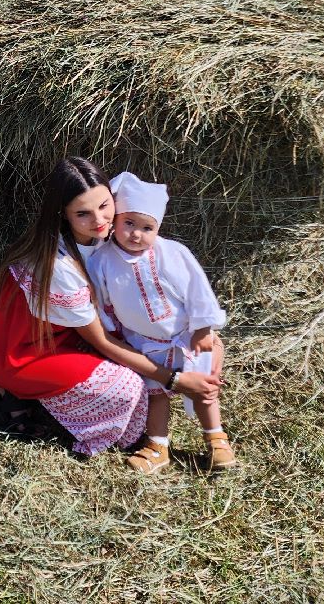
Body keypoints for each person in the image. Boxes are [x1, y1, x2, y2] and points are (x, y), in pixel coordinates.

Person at [0, 157, 220, 457]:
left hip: (74, 330)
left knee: (185, 349)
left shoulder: (118, 231)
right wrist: (174, 378)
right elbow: (102, 340)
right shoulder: (59, 265)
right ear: (64, 216)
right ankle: (7, 387)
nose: (99, 220)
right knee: (129, 389)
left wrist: (198, 332)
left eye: (104, 205)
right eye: (83, 213)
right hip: (27, 347)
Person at [86, 171, 234, 474]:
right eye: (129, 223)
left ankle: (216, 439)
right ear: (116, 220)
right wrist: (113, 331)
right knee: (157, 395)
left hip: (187, 336)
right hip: (144, 342)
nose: (136, 234)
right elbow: (100, 299)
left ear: (158, 228)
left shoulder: (171, 253)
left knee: (203, 390)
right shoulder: (103, 260)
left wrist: (204, 328)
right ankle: (158, 446)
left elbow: (198, 290)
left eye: (147, 227)